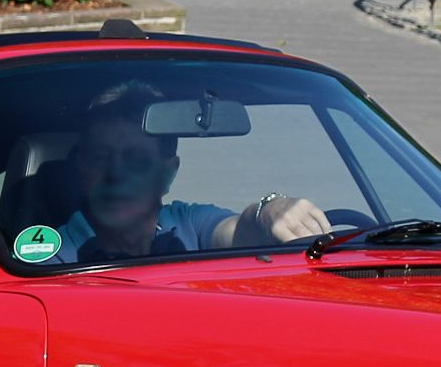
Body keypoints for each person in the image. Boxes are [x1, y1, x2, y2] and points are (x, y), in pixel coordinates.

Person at [49, 82, 331, 264]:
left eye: (136, 160)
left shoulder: (188, 224)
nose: (116, 174)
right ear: (82, 167)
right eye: (100, 157)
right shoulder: (52, 257)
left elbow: (241, 233)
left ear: (167, 174)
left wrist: (270, 210)